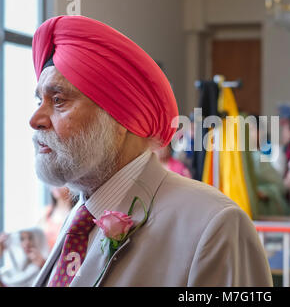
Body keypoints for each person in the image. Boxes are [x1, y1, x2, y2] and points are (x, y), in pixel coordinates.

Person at [30, 15, 272, 287]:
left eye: (59, 100)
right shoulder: (81, 217)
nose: (35, 119)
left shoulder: (213, 224)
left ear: (119, 118)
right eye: (40, 100)